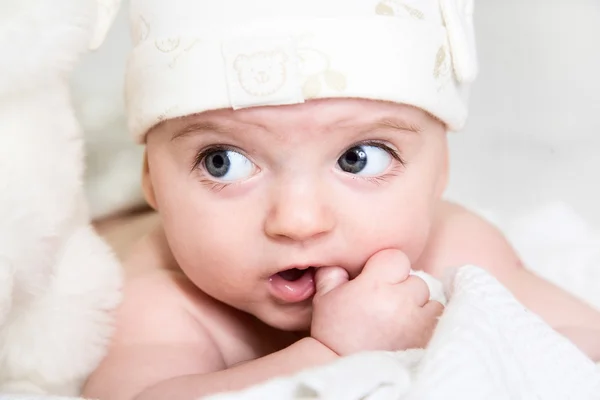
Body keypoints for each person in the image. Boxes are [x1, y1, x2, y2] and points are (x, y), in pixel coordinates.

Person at [83, 0, 600, 399]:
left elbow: (583, 344)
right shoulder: (160, 302)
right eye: (223, 161)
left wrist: (465, 334)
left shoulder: (456, 249)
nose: (299, 221)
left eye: (359, 158)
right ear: (153, 179)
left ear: (440, 171)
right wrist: (330, 352)